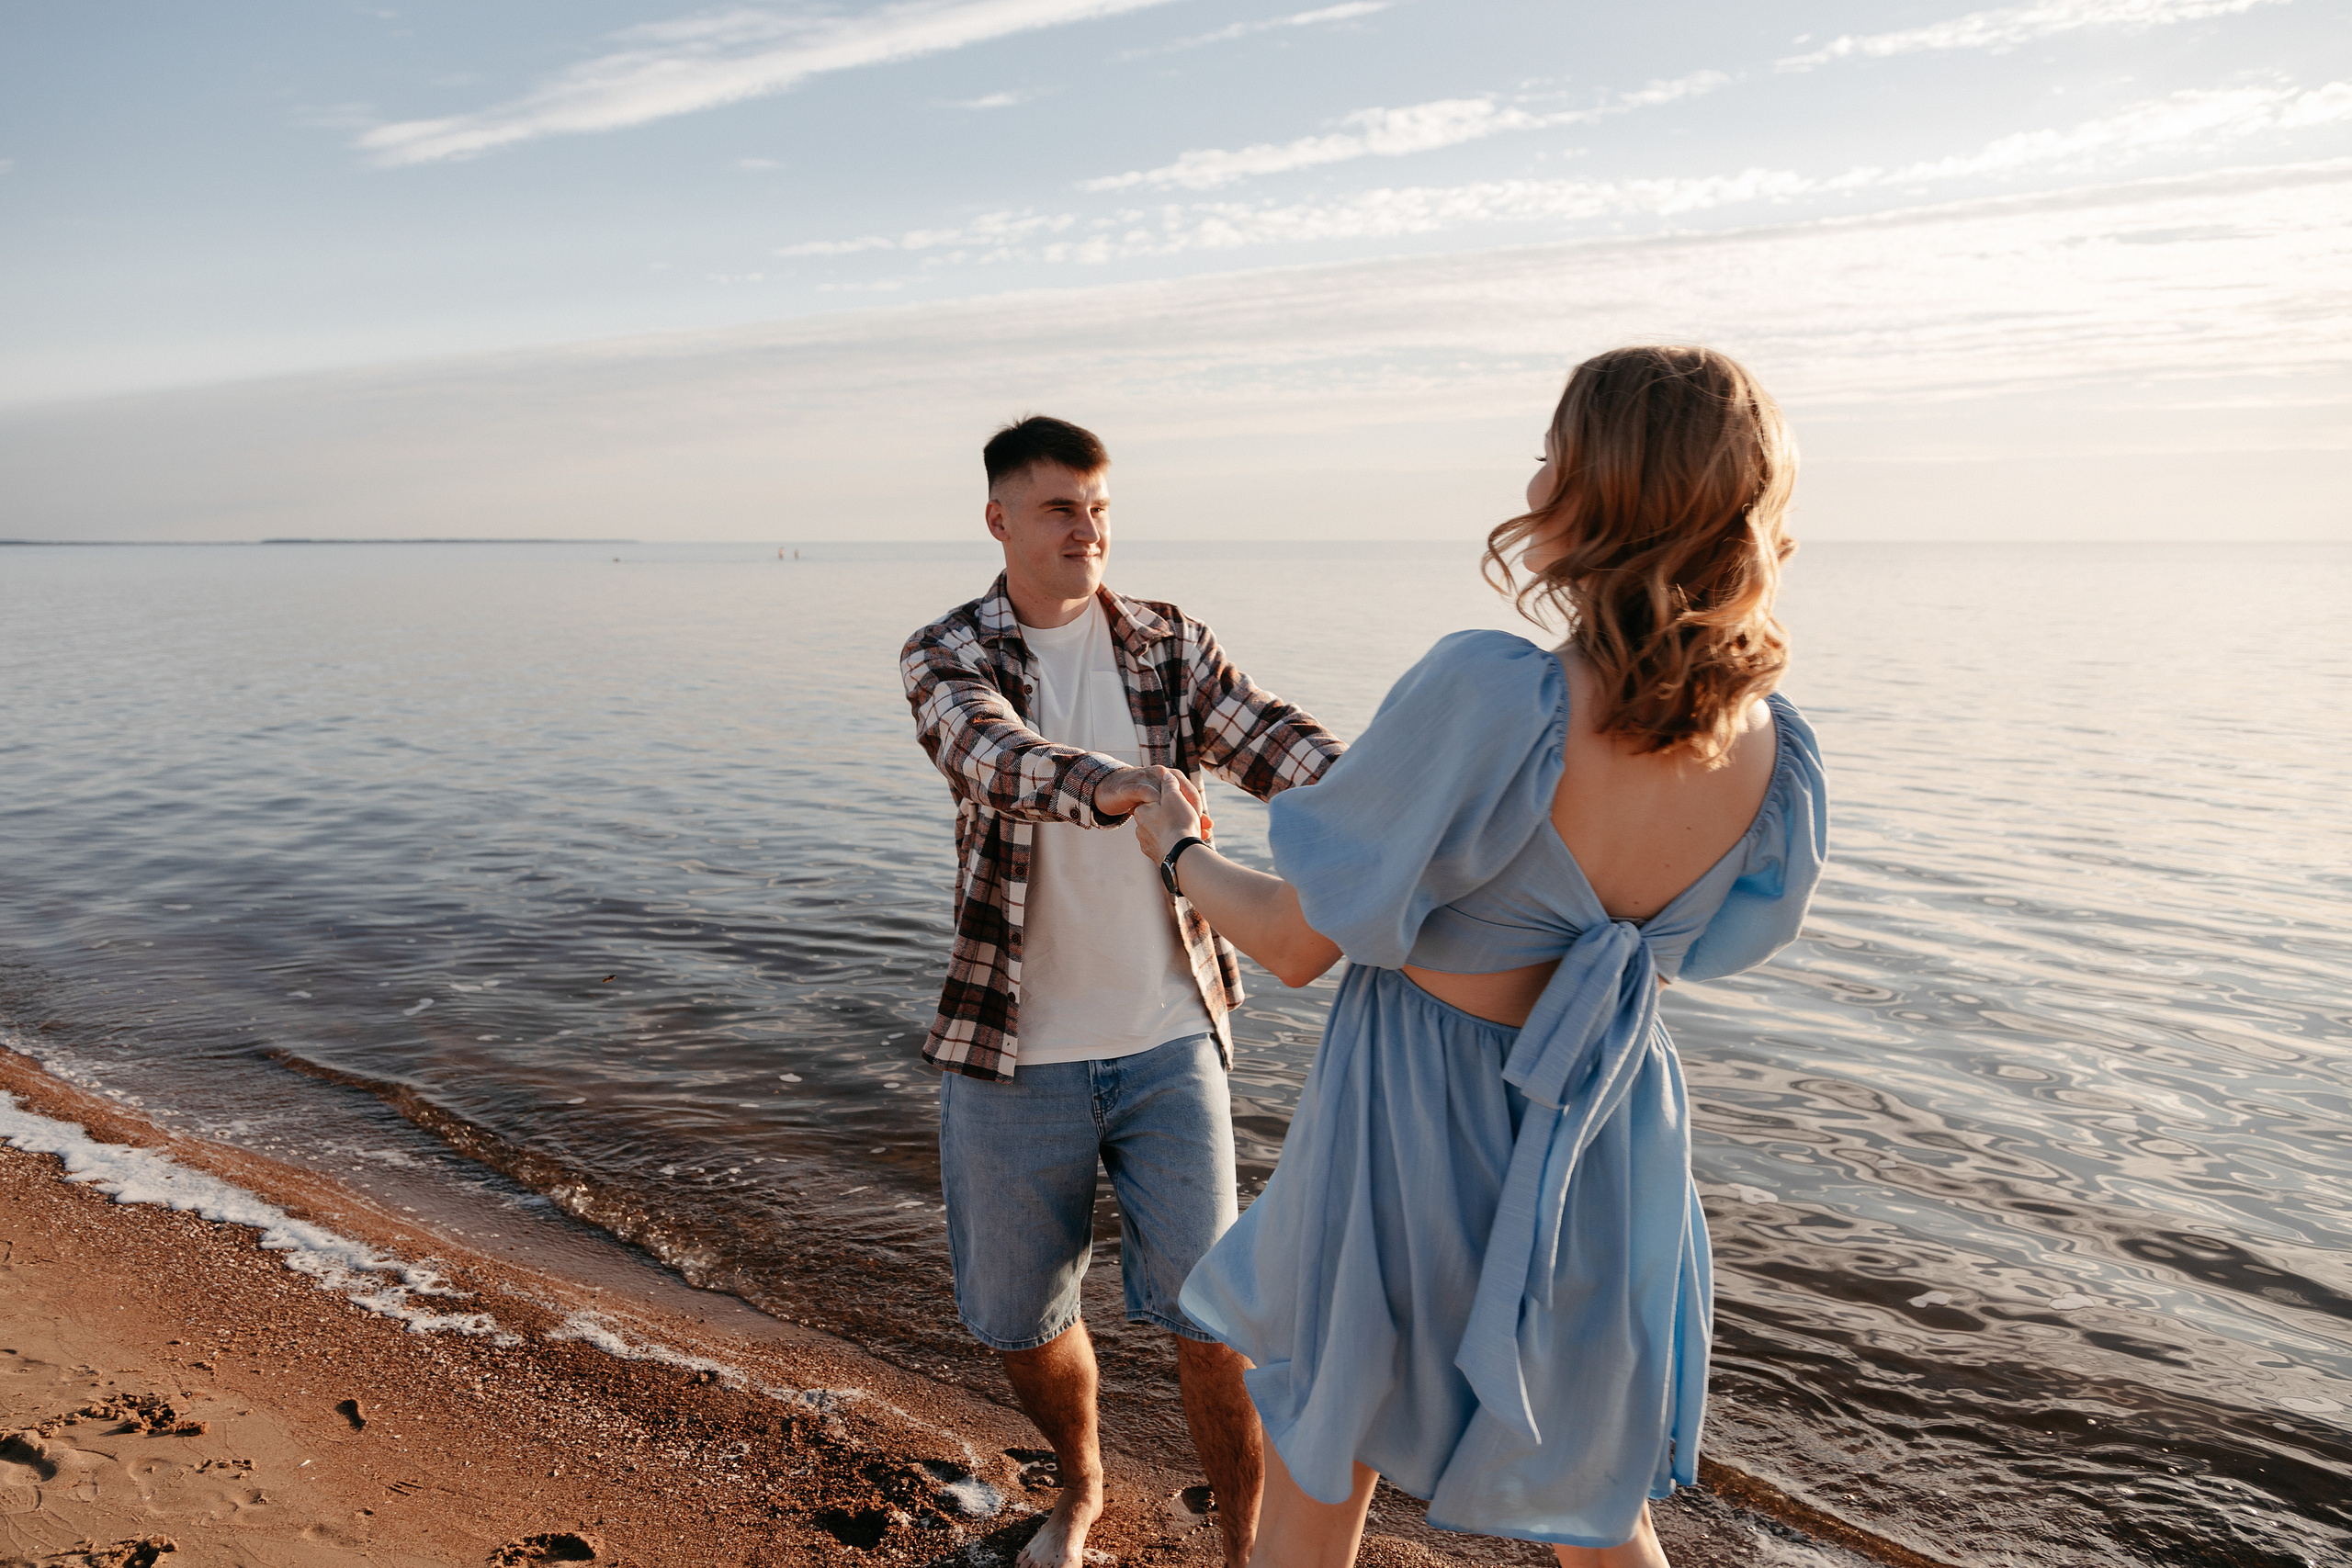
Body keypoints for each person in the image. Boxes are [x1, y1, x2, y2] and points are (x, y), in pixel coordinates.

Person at [1129, 346, 1829, 1568]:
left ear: (1599, 490)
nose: (1536, 473)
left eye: (1557, 451)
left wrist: (1179, 852)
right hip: (1605, 1129)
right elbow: (1725, 943)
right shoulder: (1774, 750)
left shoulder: (1496, 694)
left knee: (1324, 1453)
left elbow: (1297, 941)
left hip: (1421, 1111)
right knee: (1594, 1495)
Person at [900, 415, 1345, 1568]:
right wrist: (1112, 785)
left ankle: (1245, 1550)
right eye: (1058, 509)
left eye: (1098, 508)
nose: (1085, 529)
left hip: (1168, 1037)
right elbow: (989, 757)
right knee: (1020, 1322)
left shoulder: (1164, 641)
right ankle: (1082, 1492)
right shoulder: (945, 652)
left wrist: (1398, 798)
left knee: (1216, 1320)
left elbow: (1273, 742)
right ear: (999, 520)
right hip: (1012, 1046)